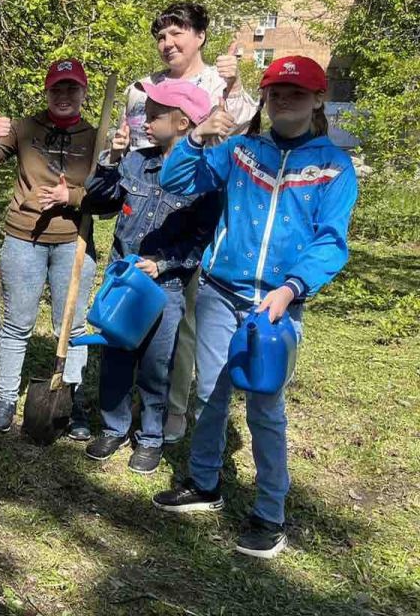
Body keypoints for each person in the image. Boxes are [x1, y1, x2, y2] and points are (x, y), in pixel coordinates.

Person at [151, 56, 358, 559]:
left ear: (316, 100)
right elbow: (176, 181)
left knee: (266, 406)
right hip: (222, 290)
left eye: (297, 93)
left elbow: (330, 242)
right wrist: (199, 135)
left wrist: (290, 289)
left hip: (277, 303)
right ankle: (205, 484)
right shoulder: (242, 150)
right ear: (264, 99)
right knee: (209, 392)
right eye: (276, 92)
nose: (285, 100)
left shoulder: (335, 165)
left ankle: (270, 513)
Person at [125, 1, 258, 444]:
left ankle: (174, 410)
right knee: (139, 307)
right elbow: (132, 149)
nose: (167, 43)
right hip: (148, 216)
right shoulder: (144, 88)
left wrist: (235, 83)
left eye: (176, 33)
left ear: (200, 35)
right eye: (161, 36)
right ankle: (132, 399)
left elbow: (246, 133)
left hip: (202, 217)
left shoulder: (217, 84)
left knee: (185, 318)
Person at [82, 80, 219, 474]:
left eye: (155, 114)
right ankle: (114, 426)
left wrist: (163, 263)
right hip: (125, 282)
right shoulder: (136, 162)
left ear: (182, 123)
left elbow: (202, 240)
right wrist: (110, 159)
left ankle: (152, 436)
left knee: (159, 365)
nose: (145, 120)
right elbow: (99, 203)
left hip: (166, 287)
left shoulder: (205, 179)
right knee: (117, 356)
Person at [0, 59, 98, 437]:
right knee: (17, 324)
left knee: (72, 327)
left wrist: (72, 195)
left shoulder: (96, 135)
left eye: (71, 89)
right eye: (57, 88)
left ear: (83, 93)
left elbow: (110, 196)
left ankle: (68, 401)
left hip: (73, 241)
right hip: (23, 239)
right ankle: (6, 399)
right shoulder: (25, 129)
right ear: (47, 91)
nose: (63, 96)